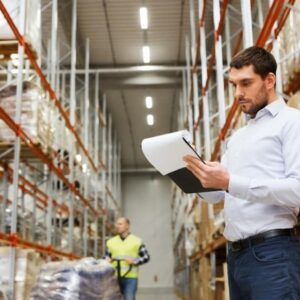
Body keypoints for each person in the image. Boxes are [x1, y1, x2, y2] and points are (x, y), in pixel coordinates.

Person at [183, 46, 300, 299]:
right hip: (236, 256)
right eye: (234, 85)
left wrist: (230, 181)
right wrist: (194, 177)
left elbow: (297, 190)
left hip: (272, 254)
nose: (238, 93)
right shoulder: (238, 138)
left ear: (269, 80)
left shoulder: (292, 122)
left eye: (246, 83)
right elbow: (219, 195)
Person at [105, 217, 150, 300]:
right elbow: (106, 257)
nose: (117, 226)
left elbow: (146, 257)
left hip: (130, 278)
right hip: (114, 278)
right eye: (117, 224)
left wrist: (135, 261)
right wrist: (107, 260)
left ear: (127, 226)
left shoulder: (136, 241)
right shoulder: (111, 242)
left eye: (120, 224)